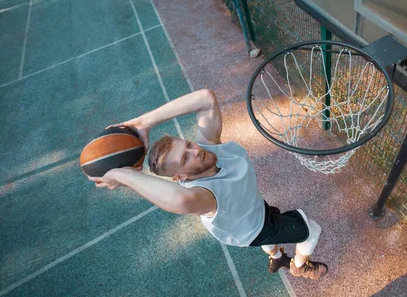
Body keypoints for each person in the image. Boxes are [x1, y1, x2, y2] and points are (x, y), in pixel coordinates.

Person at [88, 89, 328, 279]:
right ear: (179, 177)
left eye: (189, 145)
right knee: (311, 230)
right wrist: (122, 175)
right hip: (252, 229)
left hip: (252, 208)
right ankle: (299, 267)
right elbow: (180, 200)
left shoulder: (209, 146)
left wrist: (142, 122)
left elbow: (205, 98)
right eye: (185, 158)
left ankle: (276, 258)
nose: (196, 151)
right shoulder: (204, 196)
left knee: (270, 230)